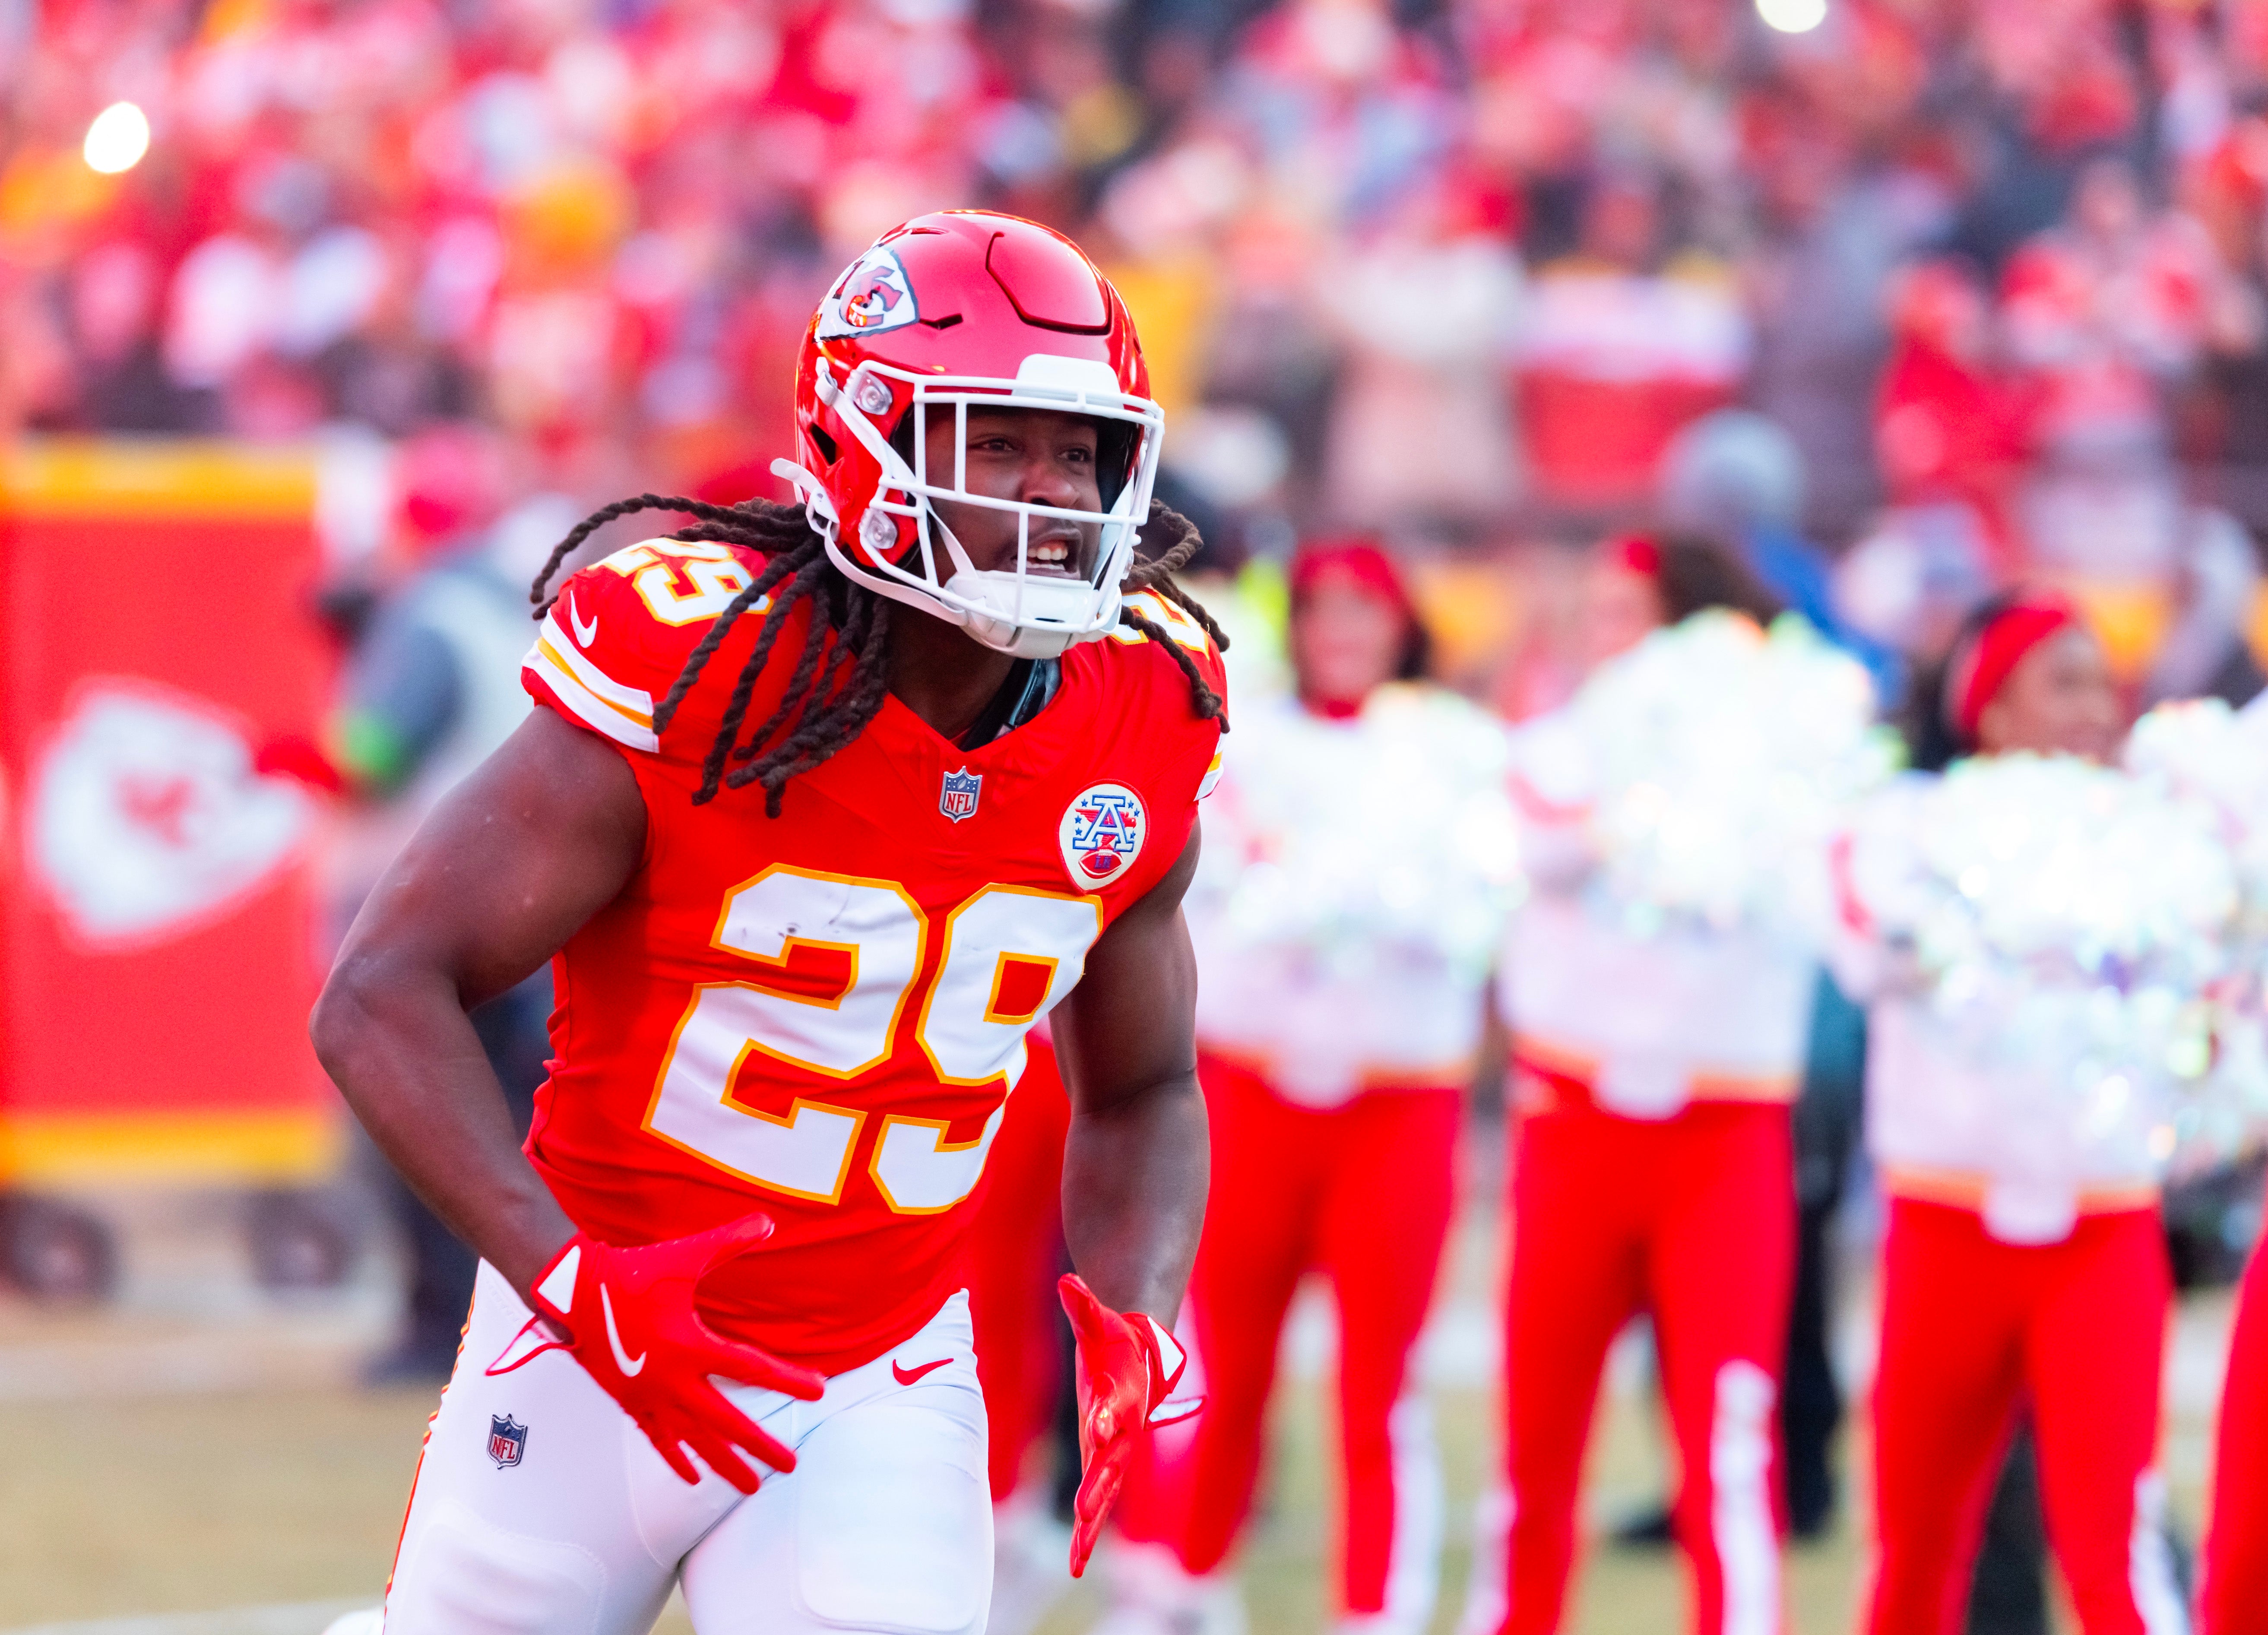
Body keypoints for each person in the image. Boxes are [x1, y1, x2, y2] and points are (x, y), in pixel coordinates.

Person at [308, 210, 1228, 1635]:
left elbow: (1148, 1083)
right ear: (867, 443)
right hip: (592, 1345)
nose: (1050, 493)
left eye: (1076, 450)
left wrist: (1133, 1299)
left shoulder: (1142, 709)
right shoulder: (705, 669)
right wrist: (571, 1279)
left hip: (882, 1372)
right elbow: (380, 991)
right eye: (994, 444)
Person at [1105, 539, 1516, 1635]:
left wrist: (1344, 892)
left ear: (1402, 624)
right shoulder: (1242, 737)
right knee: (1215, 1357)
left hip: (1399, 1099)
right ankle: (1178, 1582)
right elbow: (1210, 884)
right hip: (1250, 1089)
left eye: (1363, 610)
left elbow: (1477, 914)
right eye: (1321, 610)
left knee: (1381, 1379)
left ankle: (1376, 1609)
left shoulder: (1457, 746)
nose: (1342, 632)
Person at [1463, 533, 1806, 1635]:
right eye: (1598, 614)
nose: (1606, 639)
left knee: (1730, 1443)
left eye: (1630, 613)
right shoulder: (1566, 744)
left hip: (1726, 1130)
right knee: (1536, 1437)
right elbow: (1534, 841)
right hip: (1572, 1121)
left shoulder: (1782, 748)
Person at [1833, 593, 2192, 1635]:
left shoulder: (2159, 843)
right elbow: (1873, 943)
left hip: (2102, 1227)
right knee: (1913, 1553)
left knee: (2113, 1555)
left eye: (2104, 685)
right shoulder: (1907, 827)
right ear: (1988, 712)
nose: (2095, 710)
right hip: (1944, 1226)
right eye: (2063, 683)